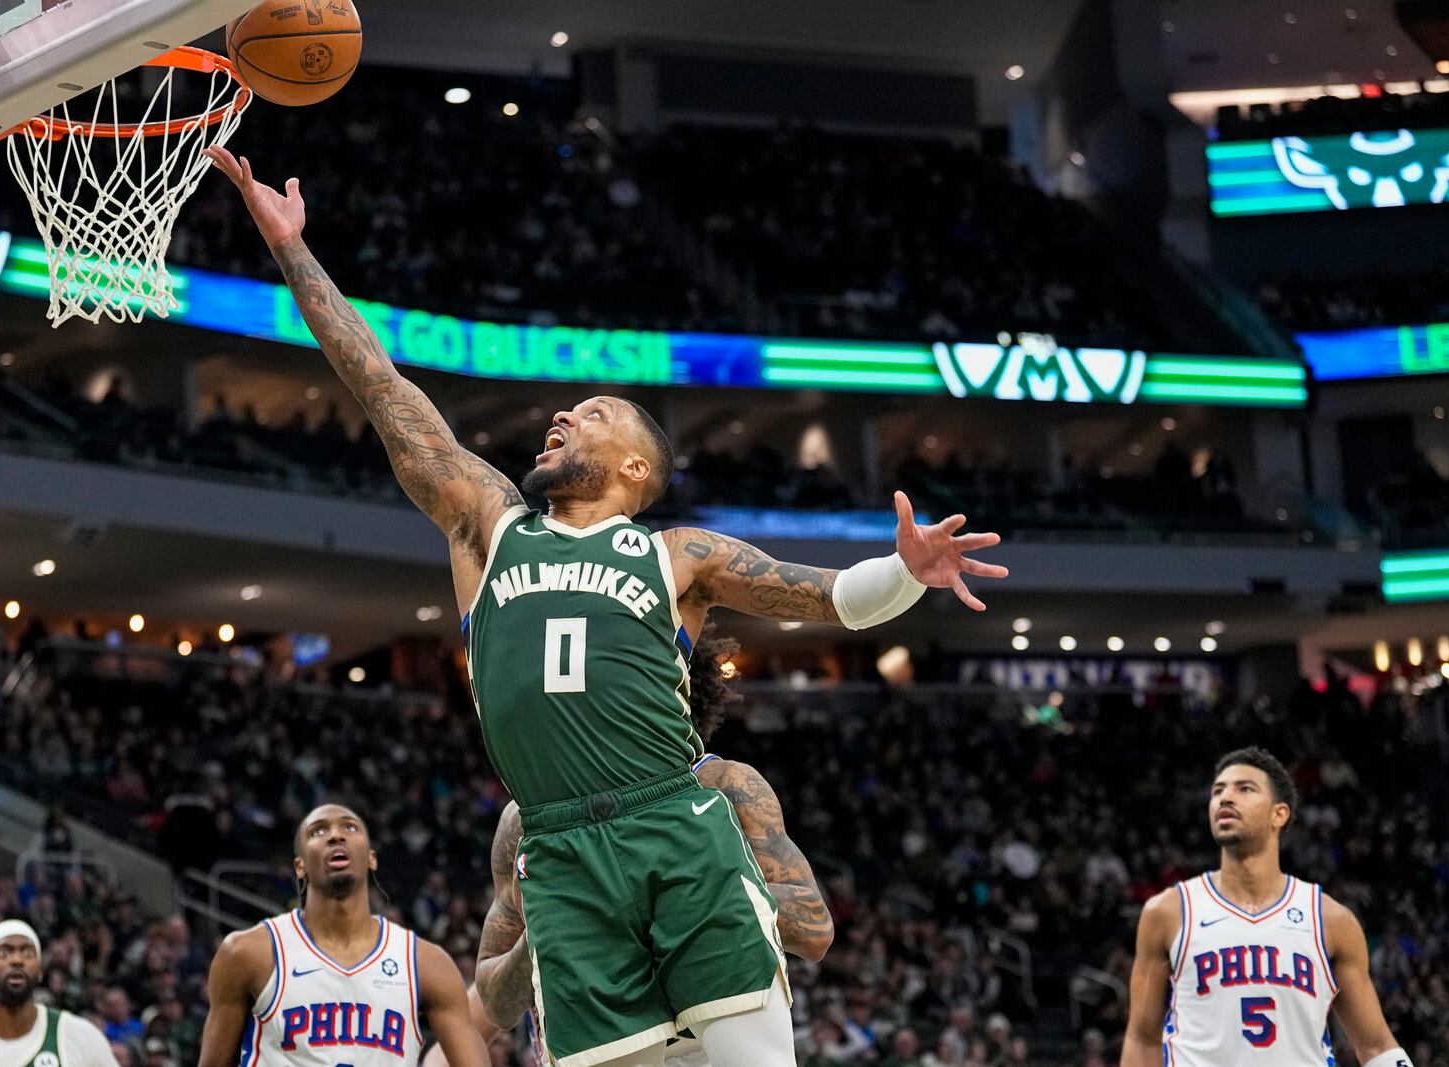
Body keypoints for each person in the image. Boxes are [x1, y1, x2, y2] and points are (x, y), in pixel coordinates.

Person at [206, 147, 1007, 1067]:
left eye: (589, 414)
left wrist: (904, 570)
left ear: (636, 468)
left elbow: (826, 596)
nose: (561, 418)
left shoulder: (677, 555)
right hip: (558, 850)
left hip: (674, 822)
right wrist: (293, 252)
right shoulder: (488, 525)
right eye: (562, 413)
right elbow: (387, 393)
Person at [422, 629, 834, 1067]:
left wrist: (693, 894)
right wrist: (552, 931)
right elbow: (496, 1002)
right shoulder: (524, 821)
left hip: (710, 1048)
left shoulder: (724, 786)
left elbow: (814, 929)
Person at [1119, 748, 1414, 1067]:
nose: (1225, 798)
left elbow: (1376, 1046)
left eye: (1244, 788)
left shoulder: (1330, 920)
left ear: (1280, 814)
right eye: (1218, 790)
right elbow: (1142, 1038)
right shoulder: (1168, 912)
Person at [195, 804, 488, 1067]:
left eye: (350, 827)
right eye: (318, 831)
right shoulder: (248, 953)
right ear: (300, 866)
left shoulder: (426, 963)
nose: (336, 835)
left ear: (371, 858)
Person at [0, 920, 119, 1067]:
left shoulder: (79, 1036)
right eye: (4, 953)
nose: (17, 960)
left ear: (40, 971)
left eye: (28, 953)